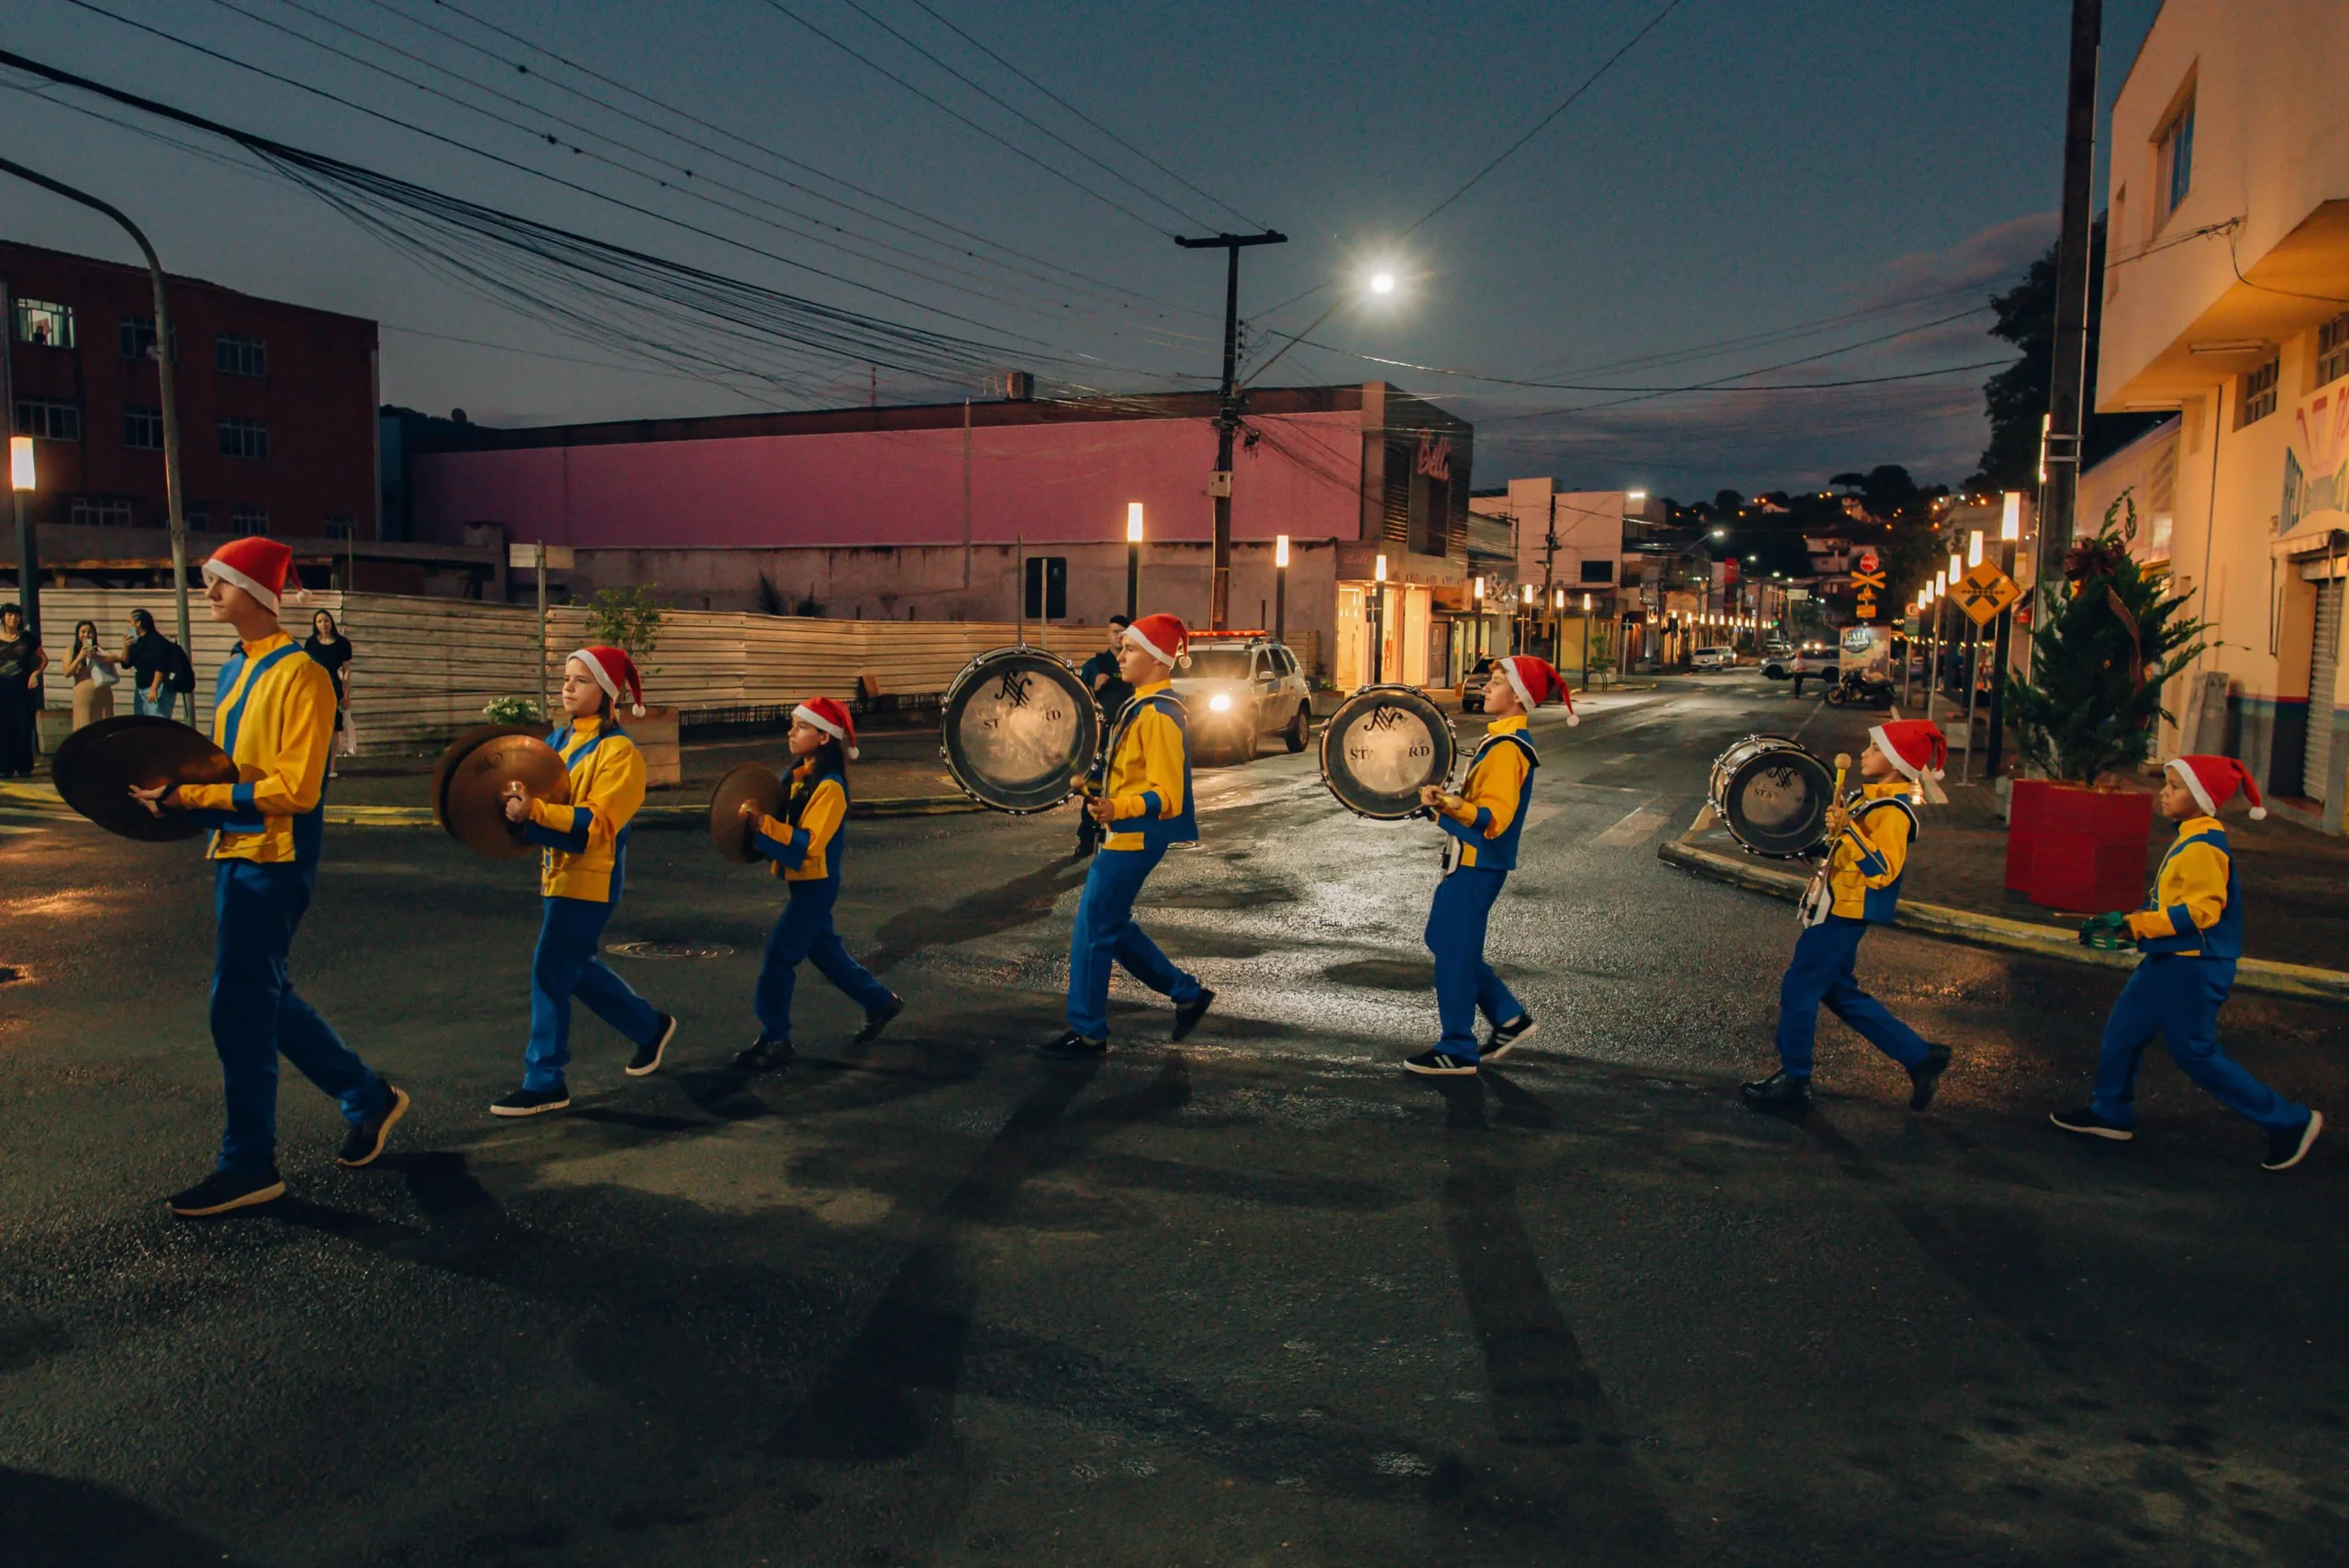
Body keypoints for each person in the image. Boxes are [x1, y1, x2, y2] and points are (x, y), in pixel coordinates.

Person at [128, 538, 408, 1217]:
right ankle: (369, 1097)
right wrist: (175, 794)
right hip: (232, 850)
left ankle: (249, 1163)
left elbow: (297, 789)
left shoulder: (304, 673)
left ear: (257, 591)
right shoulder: (232, 668)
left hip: (275, 859)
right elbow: (226, 770)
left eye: (218, 583)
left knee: (239, 1005)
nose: (208, 594)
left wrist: (191, 800)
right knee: (266, 997)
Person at [2052, 756, 2324, 1171]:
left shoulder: (2203, 846)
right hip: (2170, 958)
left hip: (2194, 965)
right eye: (2168, 784)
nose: (2163, 792)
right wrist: (2132, 927)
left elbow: (2202, 911)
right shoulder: (2190, 836)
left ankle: (2290, 1121)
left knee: (2195, 1053)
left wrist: (2138, 924)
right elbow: (2172, 901)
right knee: (2123, 1032)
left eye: (2176, 787)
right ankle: (2109, 1113)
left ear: (2200, 797)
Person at [490, 644, 677, 1117]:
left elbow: (596, 825)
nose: (568, 687)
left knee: (550, 968)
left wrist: (533, 811)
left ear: (608, 694)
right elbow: (536, 795)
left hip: (593, 879)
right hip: (558, 875)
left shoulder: (622, 755)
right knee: (575, 969)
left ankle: (545, 1079)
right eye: (567, 677)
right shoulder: (556, 741)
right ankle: (648, 1027)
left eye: (582, 680)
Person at [1741, 719, 1954, 1114]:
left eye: (1873, 750)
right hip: (1833, 907)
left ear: (1893, 763)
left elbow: (1882, 869)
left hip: (1844, 915)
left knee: (1799, 989)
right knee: (1839, 993)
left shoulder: (1894, 812)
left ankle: (1795, 1078)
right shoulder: (1866, 799)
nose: (1863, 754)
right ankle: (1919, 1056)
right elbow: (1841, 852)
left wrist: (1850, 831)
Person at [1045, 612, 1212, 1060]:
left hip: (1136, 837)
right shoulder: (1140, 705)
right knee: (1110, 926)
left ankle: (1089, 1031)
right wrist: (1097, 789)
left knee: (1093, 928)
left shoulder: (1158, 714)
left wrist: (1120, 807)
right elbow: (1130, 776)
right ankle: (1187, 994)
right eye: (1122, 647)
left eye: (1131, 649)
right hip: (1124, 833)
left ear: (1158, 659)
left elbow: (1167, 794)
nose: (1120, 654)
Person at [1405, 655, 1575, 1075]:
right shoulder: (1499, 742)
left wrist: (1447, 804)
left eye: (1497, 682)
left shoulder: (1507, 750)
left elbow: (1492, 819)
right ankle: (1509, 1018)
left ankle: (1458, 1047)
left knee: (1453, 950)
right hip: (1470, 862)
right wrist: (1444, 806)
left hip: (1479, 863)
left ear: (1518, 697)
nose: (1486, 687)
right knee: (1444, 939)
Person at [730, 695, 903, 1073]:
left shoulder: (831, 788)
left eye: (802, 726)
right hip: (804, 882)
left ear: (825, 738)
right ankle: (880, 1002)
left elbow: (809, 842)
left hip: (817, 885)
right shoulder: (797, 778)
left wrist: (763, 825)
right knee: (826, 954)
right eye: (793, 724)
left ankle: (775, 1037)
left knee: (779, 955)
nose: (792, 732)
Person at [1074, 617, 1135, 854]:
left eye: (1123, 632)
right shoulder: (1094, 665)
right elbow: (1075, 696)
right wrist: (1092, 687)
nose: (1118, 636)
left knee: (1126, 787)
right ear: (1107, 634)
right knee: (1093, 789)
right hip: (1102, 736)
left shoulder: (1134, 662)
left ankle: (1122, 836)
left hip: (1129, 736)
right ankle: (1086, 838)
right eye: (1115, 632)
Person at [303, 609, 354, 779]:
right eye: (319, 621)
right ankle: (316, 765)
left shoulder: (342, 643)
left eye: (326, 621)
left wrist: (346, 694)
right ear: (315, 624)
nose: (323, 624)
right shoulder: (311, 643)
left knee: (334, 728)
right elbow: (307, 667)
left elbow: (347, 670)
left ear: (331, 622)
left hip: (334, 685)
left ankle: (331, 766)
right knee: (315, 727)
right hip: (315, 687)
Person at [0, 604, 45, 777]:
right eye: (10, 615)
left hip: (22, 689)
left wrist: (36, 674)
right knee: (4, 727)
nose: (13, 619)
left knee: (24, 726)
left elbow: (43, 659)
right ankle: (5, 767)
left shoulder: (27, 638)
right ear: (3, 617)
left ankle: (24, 766)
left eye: (17, 616)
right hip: (2, 689)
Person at [123, 608, 187, 720]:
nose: (128, 626)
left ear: (138, 623)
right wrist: (126, 647)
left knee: (157, 723)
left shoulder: (157, 641)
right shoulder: (137, 642)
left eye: (130, 622)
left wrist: (154, 689)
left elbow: (160, 667)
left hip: (157, 689)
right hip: (141, 689)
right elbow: (126, 664)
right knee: (141, 725)